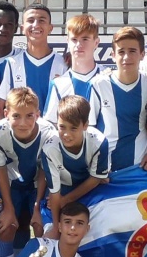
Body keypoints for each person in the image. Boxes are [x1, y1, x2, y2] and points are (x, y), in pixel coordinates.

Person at [0, 87, 54, 257]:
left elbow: (45, 169)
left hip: (37, 185)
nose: (23, 123)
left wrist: (37, 206)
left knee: (42, 225)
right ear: (6, 114)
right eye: (16, 116)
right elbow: (0, 168)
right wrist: (8, 208)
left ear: (38, 115)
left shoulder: (49, 133)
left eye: (29, 116)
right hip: (11, 184)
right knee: (7, 225)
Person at [89, 26, 147, 172]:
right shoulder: (98, 84)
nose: (126, 57)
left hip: (140, 165)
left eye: (132, 51)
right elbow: (89, 128)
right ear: (113, 55)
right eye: (121, 52)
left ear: (142, 54)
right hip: (105, 168)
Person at [41, 95, 109, 236]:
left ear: (85, 125)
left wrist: (66, 200)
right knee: (49, 238)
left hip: (90, 192)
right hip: (60, 193)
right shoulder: (49, 148)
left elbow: (96, 179)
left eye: (73, 128)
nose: (66, 134)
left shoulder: (99, 142)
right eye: (62, 127)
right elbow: (54, 193)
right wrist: (55, 227)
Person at [0, 3, 67, 119]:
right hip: (20, 134)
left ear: (50, 28)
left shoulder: (63, 64)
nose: (36, 25)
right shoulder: (12, 63)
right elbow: (0, 107)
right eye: (30, 20)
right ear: (22, 28)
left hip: (53, 135)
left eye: (41, 20)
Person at [43, 14, 103, 124]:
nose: (79, 45)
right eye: (74, 39)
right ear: (68, 42)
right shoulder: (58, 84)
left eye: (85, 39)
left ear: (96, 42)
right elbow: (50, 124)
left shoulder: (108, 78)